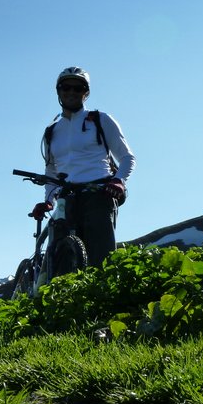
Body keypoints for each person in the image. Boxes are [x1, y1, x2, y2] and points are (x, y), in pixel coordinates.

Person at [31, 67, 136, 266]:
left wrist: (119, 181)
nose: (71, 92)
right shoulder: (52, 131)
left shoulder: (101, 120)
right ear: (59, 91)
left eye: (78, 88)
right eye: (66, 87)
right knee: (58, 258)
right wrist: (48, 201)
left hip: (98, 192)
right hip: (66, 197)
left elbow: (127, 158)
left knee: (100, 257)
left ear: (85, 93)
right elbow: (51, 170)